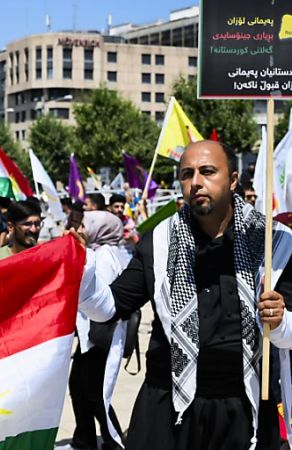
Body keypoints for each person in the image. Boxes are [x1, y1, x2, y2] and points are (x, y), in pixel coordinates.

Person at [78, 140, 292, 449]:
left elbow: (287, 335)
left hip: (246, 411)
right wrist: (81, 272)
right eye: (187, 174)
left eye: (207, 171)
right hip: (169, 411)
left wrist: (280, 320)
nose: (196, 183)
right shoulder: (159, 242)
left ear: (232, 180)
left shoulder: (276, 244)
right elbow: (109, 308)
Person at [68, 210, 128, 450]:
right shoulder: (103, 252)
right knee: (83, 389)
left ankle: (110, 440)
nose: (81, 229)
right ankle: (85, 438)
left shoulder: (102, 256)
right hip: (92, 338)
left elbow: (99, 298)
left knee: (92, 393)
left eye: (84, 225)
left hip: (97, 338)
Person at [0, 200, 42, 266]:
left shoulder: (46, 256)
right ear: (11, 227)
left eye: (37, 224)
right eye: (27, 224)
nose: (34, 230)